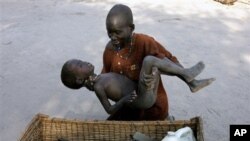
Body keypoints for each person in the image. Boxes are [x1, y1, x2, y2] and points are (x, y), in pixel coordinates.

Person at [101, 4, 215, 120]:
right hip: (129, 106)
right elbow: (105, 79)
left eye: (118, 32)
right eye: (109, 33)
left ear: (131, 28)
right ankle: (191, 81)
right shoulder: (110, 51)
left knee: (151, 61)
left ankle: (189, 79)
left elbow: (169, 61)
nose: (113, 37)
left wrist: (155, 73)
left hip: (153, 107)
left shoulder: (145, 42)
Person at [61, 57, 206, 115]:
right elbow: (110, 110)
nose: (85, 62)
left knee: (161, 62)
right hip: (142, 99)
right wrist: (124, 100)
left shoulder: (99, 77)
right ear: (80, 80)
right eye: (80, 65)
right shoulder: (98, 87)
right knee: (149, 60)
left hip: (143, 89)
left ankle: (192, 83)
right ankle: (187, 76)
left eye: (81, 60)